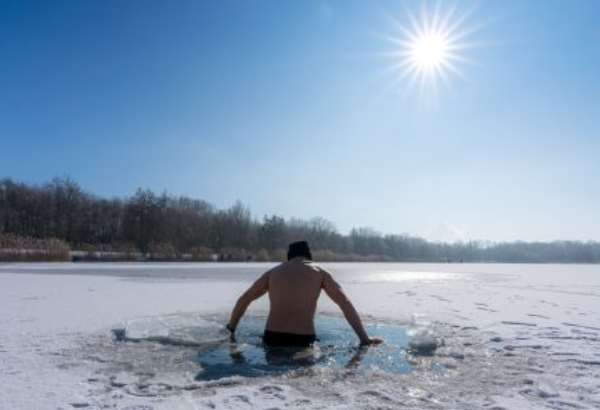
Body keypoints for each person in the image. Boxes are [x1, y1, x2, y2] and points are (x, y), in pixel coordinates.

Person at [226, 241, 382, 347]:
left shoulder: (273, 273)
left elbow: (244, 299)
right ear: (308, 256)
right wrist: (364, 338)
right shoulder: (319, 273)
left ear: (289, 256)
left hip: (273, 336)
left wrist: (232, 328)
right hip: (303, 338)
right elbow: (344, 303)